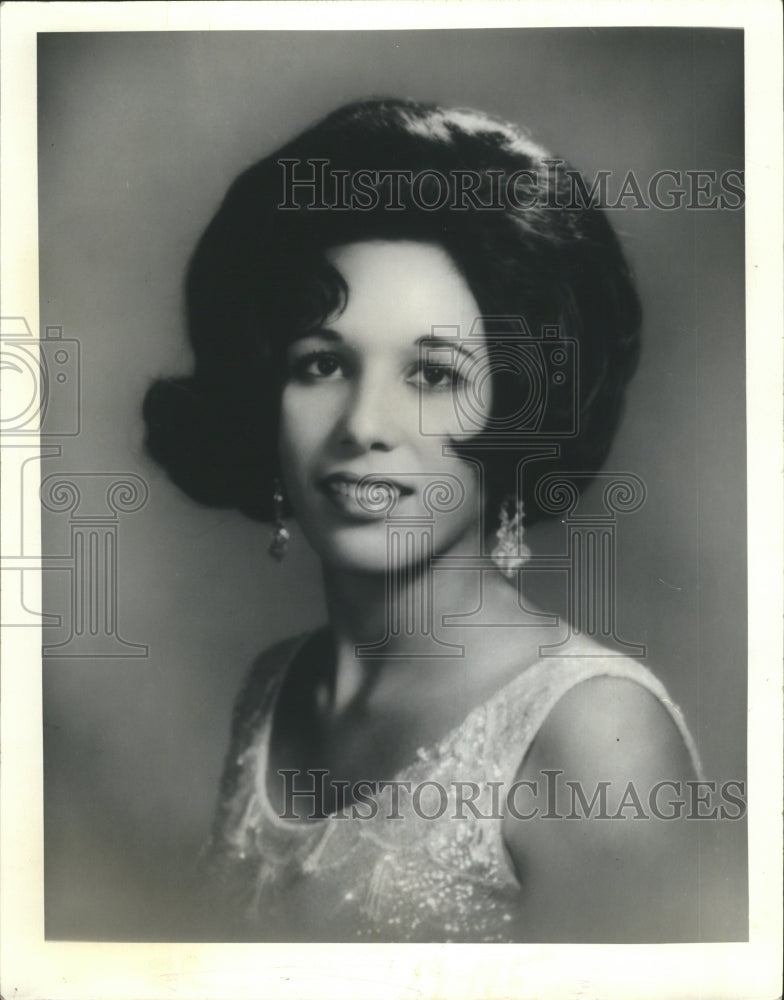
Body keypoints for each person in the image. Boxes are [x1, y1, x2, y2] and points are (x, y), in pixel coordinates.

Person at [142, 98, 702, 943]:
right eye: (322, 364)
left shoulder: (596, 738)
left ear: (518, 412)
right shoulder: (275, 689)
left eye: (434, 375)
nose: (364, 424)